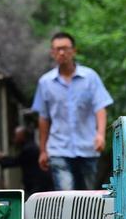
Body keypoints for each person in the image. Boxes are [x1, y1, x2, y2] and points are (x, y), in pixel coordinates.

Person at [31, 32, 113, 190]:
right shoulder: (45, 82)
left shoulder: (90, 77)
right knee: (66, 195)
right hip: (58, 148)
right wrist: (43, 150)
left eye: (65, 48)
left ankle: (89, 216)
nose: (61, 53)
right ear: (52, 53)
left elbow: (100, 107)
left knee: (87, 197)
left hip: (88, 147)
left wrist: (101, 135)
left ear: (74, 51)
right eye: (57, 49)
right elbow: (43, 118)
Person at [0, 126, 53, 196]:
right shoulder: (30, 147)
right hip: (37, 183)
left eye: (16, 136)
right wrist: (2, 158)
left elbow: (17, 161)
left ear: (22, 136)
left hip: (37, 184)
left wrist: (0, 160)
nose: (15, 139)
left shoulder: (29, 149)